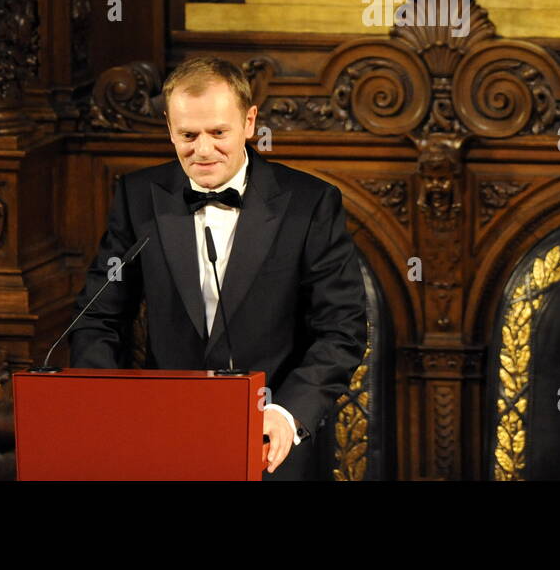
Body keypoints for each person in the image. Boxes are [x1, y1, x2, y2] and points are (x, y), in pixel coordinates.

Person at [69, 55, 367, 480]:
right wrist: (117, 411)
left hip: (273, 443)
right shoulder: (138, 199)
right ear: (169, 129)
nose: (203, 150)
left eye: (218, 133)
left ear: (249, 122)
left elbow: (342, 329)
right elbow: (95, 317)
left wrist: (287, 414)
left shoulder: (310, 203)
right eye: (188, 135)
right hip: (163, 441)